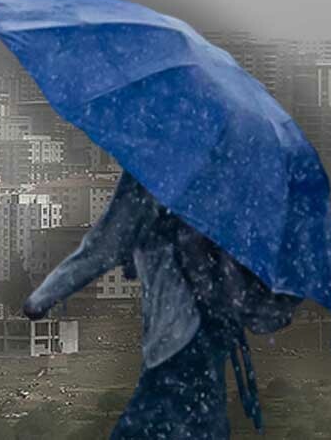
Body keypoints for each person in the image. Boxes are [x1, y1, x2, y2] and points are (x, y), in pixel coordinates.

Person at [23, 172, 301, 439]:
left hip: (177, 341)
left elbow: (103, 247)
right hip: (216, 336)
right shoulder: (222, 166)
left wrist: (41, 298)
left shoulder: (149, 172)